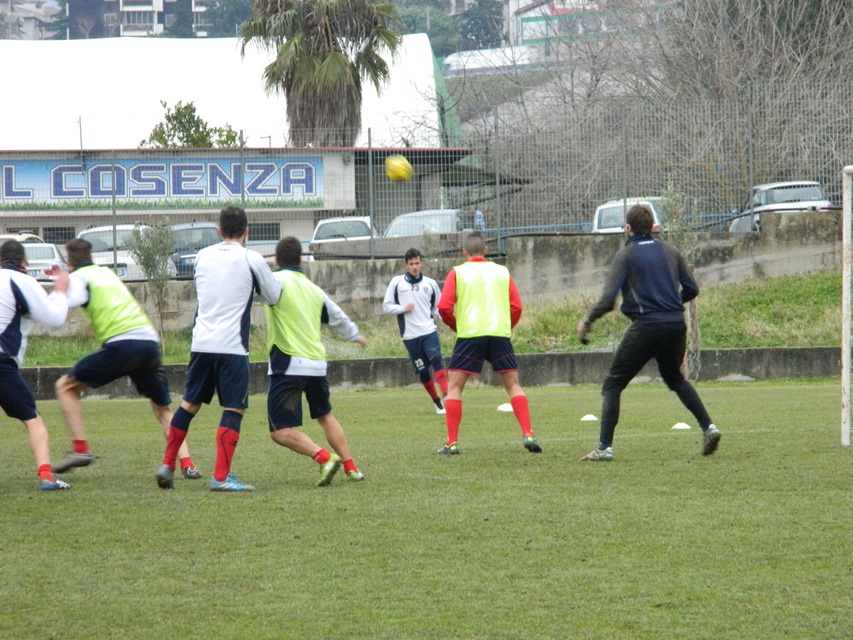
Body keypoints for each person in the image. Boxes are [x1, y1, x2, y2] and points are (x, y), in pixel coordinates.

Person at [576, 204, 722, 461]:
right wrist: (671, 303)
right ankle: (709, 427)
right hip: (675, 324)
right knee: (675, 378)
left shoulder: (626, 255)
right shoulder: (670, 250)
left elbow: (609, 300)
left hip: (646, 326)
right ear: (653, 226)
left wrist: (587, 321)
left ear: (628, 228)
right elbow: (692, 289)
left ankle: (604, 447)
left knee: (613, 384)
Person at [52, 238, 203, 482]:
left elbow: (61, 307)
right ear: (91, 257)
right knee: (162, 409)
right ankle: (188, 464)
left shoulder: (79, 279)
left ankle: (80, 449)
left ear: (69, 263)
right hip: (149, 342)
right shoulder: (106, 274)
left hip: (122, 345)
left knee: (65, 386)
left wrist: (59, 288)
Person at [156, 206, 281, 491]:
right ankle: (221, 477)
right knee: (234, 407)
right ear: (247, 231)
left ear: (219, 231)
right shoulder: (252, 258)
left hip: (201, 342)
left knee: (189, 403)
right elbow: (273, 296)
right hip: (232, 346)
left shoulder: (202, 256)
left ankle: (167, 464)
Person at [264, 236, 366, 486]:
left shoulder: (274, 282)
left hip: (289, 363)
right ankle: (351, 468)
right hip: (317, 365)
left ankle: (325, 458)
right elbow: (337, 316)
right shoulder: (313, 289)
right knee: (326, 416)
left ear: (276, 260)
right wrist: (355, 335)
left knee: (279, 431)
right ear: (301, 260)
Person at [436, 231, 541, 455]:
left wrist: (456, 325)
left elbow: (444, 307)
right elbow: (517, 307)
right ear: (486, 250)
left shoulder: (457, 272)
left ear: (464, 252)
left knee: (454, 387)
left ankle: (452, 442)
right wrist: (506, 326)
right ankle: (528, 433)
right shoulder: (502, 271)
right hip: (498, 334)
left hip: (470, 334)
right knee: (513, 385)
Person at [0, 240, 72, 490]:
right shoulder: (21, 280)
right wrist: (60, 290)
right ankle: (46, 476)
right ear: (25, 261)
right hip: (2, 363)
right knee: (33, 419)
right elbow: (54, 319)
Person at [382, 248, 448, 415]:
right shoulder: (397, 283)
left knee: (436, 360)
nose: (414, 267)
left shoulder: (431, 284)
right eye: (411, 264)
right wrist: (402, 308)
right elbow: (386, 306)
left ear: (421, 263)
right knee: (423, 371)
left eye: (417, 263)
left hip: (428, 330)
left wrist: (449, 319)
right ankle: (437, 403)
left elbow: (438, 308)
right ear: (406, 265)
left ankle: (448, 395)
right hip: (410, 335)